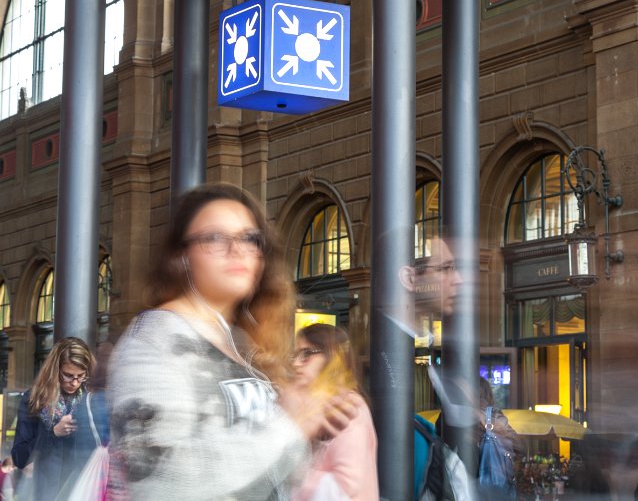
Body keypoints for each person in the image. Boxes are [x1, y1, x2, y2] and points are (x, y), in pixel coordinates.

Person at [106, 183, 356, 500]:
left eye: (250, 239)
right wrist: (288, 425)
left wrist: (308, 425)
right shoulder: (154, 340)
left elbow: (265, 470)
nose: (237, 250)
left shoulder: (239, 340)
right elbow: (159, 480)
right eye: (214, 238)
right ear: (182, 257)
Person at [10, 336, 108, 501]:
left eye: (81, 376)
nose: (75, 382)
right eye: (68, 375)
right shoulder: (34, 399)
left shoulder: (90, 400)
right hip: (47, 492)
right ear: (55, 370)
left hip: (84, 489)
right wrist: (52, 433)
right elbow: (19, 456)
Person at [290, 323, 379, 501]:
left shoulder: (347, 406)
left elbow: (344, 486)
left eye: (307, 354)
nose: (295, 363)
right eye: (294, 355)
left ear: (334, 356)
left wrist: (287, 476)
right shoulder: (313, 402)